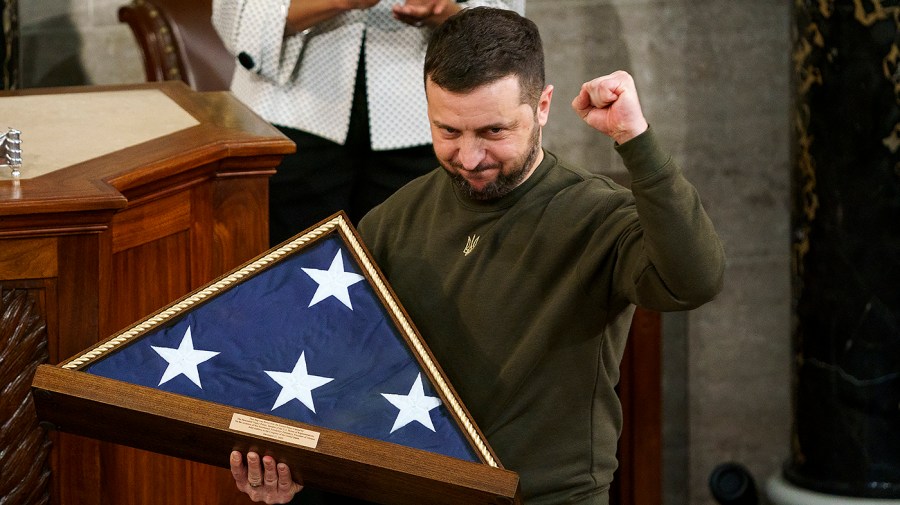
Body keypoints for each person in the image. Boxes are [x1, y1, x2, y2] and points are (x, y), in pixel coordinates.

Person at [230, 6, 726, 505]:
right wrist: (294, 467)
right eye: (448, 131)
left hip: (543, 495)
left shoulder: (597, 215)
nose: (469, 158)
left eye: (493, 132)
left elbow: (693, 280)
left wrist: (635, 140)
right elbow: (344, 376)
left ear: (543, 106)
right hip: (417, 486)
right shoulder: (392, 219)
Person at [211, 0, 525, 246]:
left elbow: (511, 30)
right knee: (285, 283)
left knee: (416, 280)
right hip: (287, 116)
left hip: (428, 121)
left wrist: (446, 10)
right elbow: (234, 16)